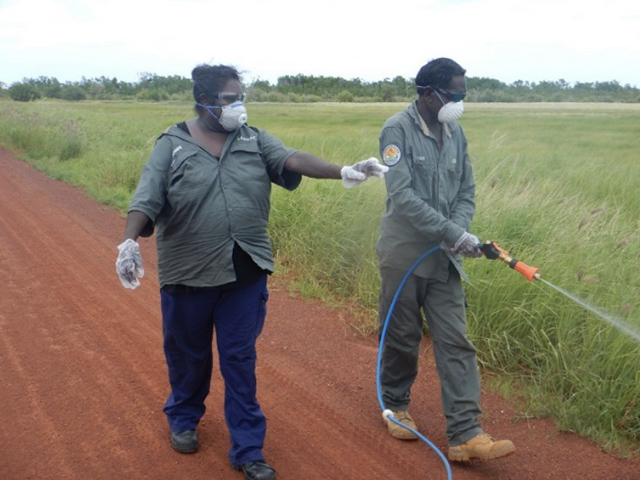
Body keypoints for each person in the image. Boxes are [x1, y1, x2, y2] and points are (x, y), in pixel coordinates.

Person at [115, 64, 388, 480]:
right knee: (188, 354)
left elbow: (291, 158)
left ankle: (248, 448)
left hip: (245, 269)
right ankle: (184, 418)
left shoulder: (253, 138)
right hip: (188, 272)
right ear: (204, 100)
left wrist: (342, 170)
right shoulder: (171, 145)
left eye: (241, 97)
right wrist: (130, 240)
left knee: (240, 359)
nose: (238, 105)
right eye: (229, 99)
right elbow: (147, 197)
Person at [376, 58, 516, 462]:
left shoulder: (456, 133)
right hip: (403, 257)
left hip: (444, 260)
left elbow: (466, 191)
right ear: (427, 93)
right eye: (453, 95)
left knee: (456, 340)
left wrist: (458, 232)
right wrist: (454, 233)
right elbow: (401, 197)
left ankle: (466, 434)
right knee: (402, 337)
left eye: (462, 95)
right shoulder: (396, 130)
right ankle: (396, 405)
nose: (458, 102)